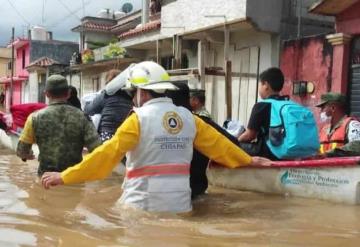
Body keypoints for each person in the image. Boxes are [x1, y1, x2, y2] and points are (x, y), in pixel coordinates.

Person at [41, 61, 271, 214]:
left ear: (141, 92)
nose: (133, 98)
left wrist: (65, 176)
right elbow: (220, 146)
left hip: (141, 207)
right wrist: (248, 159)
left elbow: (105, 156)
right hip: (181, 207)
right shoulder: (190, 118)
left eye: (133, 93)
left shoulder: (138, 119)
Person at [167, 82, 241, 199]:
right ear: (188, 100)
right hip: (197, 190)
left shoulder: (160, 126)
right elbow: (233, 143)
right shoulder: (201, 122)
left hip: (169, 194)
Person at [16, 74, 101, 176]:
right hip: (73, 177)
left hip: (46, 178)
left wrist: (28, 155)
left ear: (46, 94)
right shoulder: (82, 117)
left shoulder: (34, 118)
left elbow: (21, 151)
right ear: (68, 93)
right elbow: (97, 150)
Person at [238, 67, 287, 159]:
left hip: (268, 152)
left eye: (260, 84)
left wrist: (235, 141)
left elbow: (250, 135)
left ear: (265, 85)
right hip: (287, 150)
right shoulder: (287, 104)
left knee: (236, 146)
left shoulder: (261, 106)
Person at [84, 69, 133, 142]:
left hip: (107, 135)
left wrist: (87, 103)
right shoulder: (130, 97)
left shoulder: (106, 95)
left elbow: (89, 110)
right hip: (125, 136)